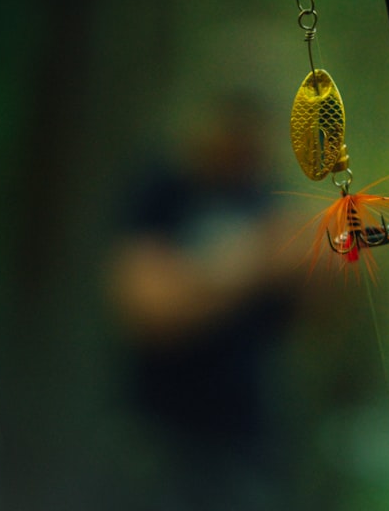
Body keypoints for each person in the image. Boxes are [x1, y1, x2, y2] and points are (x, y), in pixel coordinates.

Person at [107, 96, 305, 511]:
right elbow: (149, 309)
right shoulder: (165, 189)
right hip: (161, 435)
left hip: (245, 441)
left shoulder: (267, 200)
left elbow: (300, 323)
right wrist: (254, 260)